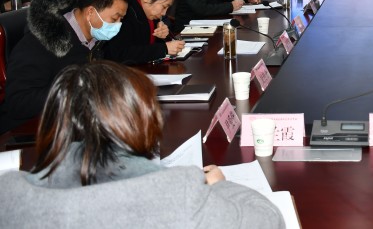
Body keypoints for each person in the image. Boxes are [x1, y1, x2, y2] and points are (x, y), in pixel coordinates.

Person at [0, 61, 285, 228]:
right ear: (138, 119)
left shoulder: (9, 195)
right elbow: (269, 221)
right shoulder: (179, 192)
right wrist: (219, 186)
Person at [0, 0, 129, 134]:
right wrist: (75, 91)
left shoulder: (95, 39)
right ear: (90, 12)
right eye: (115, 18)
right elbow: (18, 102)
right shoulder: (42, 41)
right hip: (32, 131)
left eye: (121, 19)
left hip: (72, 122)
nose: (118, 25)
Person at [103, 0, 185, 64]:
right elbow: (122, 54)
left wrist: (163, 36)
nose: (164, 13)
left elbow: (149, 45)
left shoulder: (148, 12)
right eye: (164, 6)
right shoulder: (126, 12)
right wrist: (164, 48)